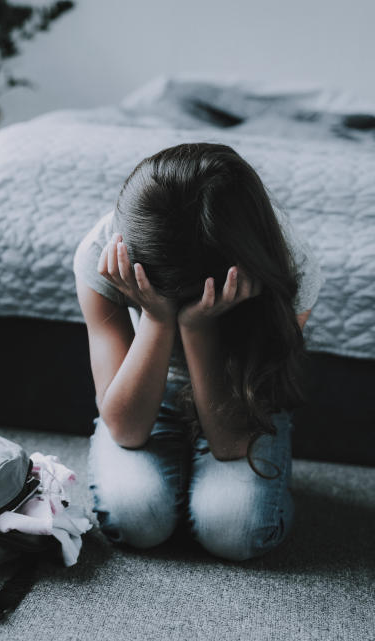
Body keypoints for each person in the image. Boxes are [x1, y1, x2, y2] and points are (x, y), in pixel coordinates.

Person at [71, 142, 323, 561]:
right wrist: (157, 318)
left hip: (241, 390)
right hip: (145, 387)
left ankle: (198, 477)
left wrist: (197, 326)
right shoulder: (103, 254)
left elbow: (230, 444)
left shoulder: (289, 266)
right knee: (138, 521)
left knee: (234, 531)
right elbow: (126, 430)